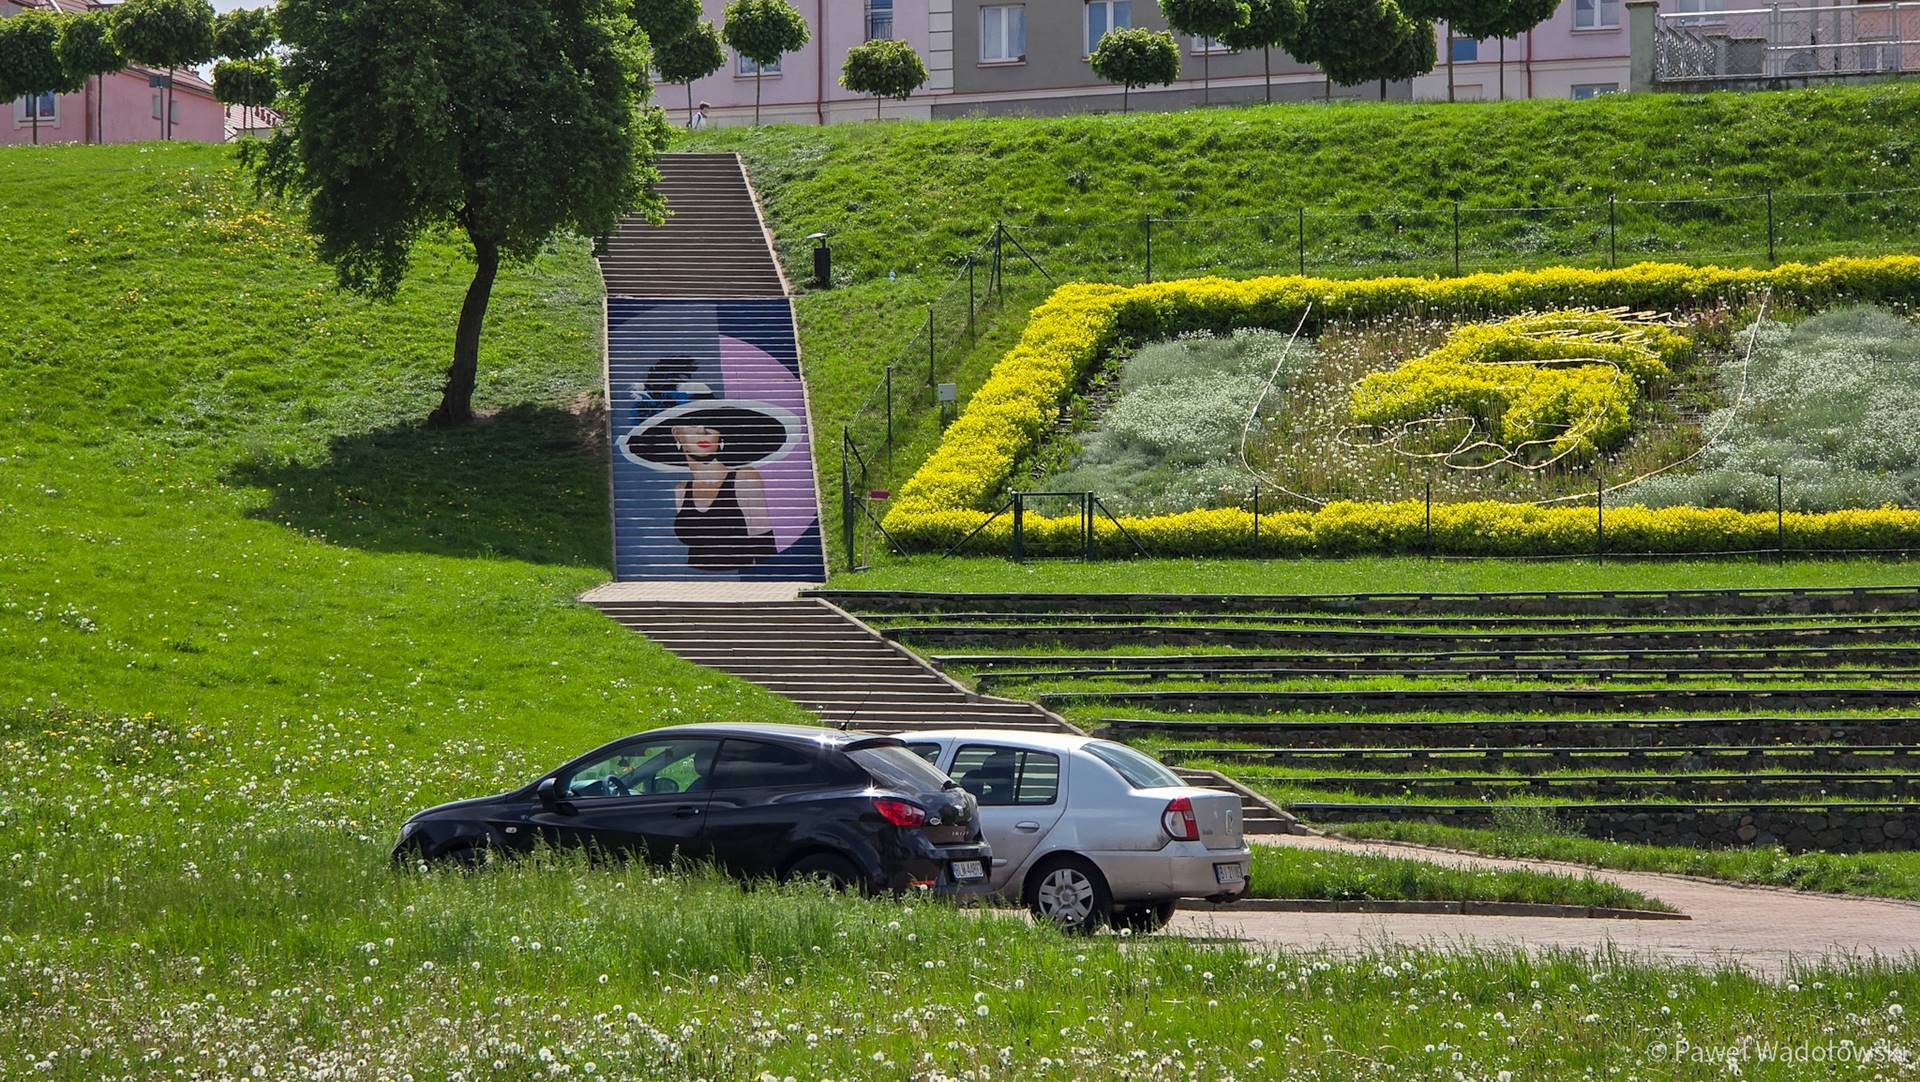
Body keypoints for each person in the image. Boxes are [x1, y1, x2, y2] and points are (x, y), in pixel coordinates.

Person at [622, 360, 800, 572]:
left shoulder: (745, 479)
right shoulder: (681, 491)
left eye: (711, 424)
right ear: (677, 433)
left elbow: (763, 545)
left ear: (721, 433)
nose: (702, 431)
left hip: (742, 586)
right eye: (692, 424)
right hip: (689, 585)